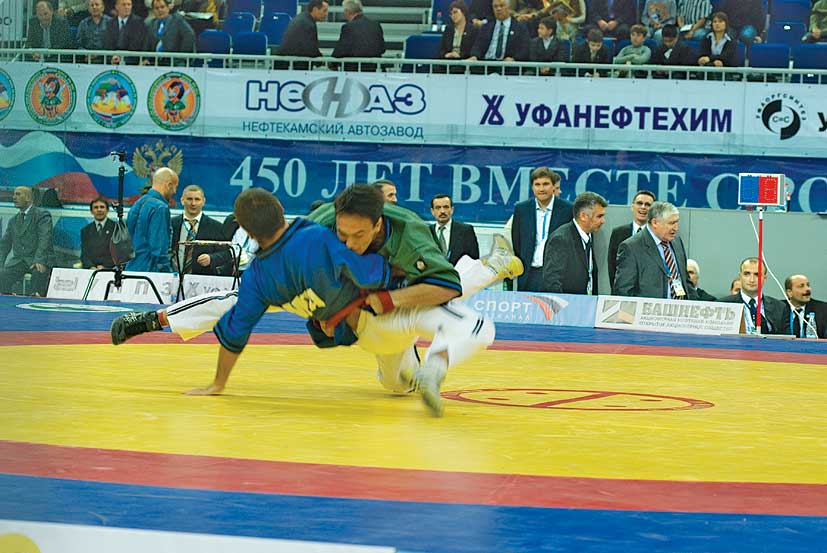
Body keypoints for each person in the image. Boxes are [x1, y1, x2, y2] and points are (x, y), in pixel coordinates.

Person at [111, 185, 521, 416]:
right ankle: (486, 271)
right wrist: (155, 319)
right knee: (398, 384)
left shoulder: (407, 234)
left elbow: (444, 285)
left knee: (444, 310)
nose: (348, 243)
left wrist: (386, 300)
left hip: (390, 303)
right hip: (362, 318)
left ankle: (487, 269)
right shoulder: (296, 254)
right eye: (341, 236)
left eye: (358, 236)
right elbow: (230, 303)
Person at [613, 201, 697, 300]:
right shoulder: (631, 247)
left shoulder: (677, 242)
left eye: (676, 222)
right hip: (649, 309)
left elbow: (686, 281)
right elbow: (623, 291)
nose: (676, 228)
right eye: (671, 223)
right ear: (655, 222)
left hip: (679, 308)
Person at [511, 167, 573, 291]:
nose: (541, 189)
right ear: (532, 187)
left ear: (553, 186)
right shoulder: (522, 209)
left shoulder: (568, 209)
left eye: (545, 184)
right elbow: (517, 242)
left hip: (557, 275)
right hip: (529, 274)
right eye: (537, 184)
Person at [541, 191, 606, 295]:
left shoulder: (589, 235)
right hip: (568, 303)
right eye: (599, 216)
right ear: (583, 216)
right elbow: (552, 282)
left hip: (586, 302)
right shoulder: (560, 240)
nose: (603, 221)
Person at [0, 186, 54, 296]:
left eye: (18, 194)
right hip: (20, 261)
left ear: (28, 198)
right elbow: (5, 245)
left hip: (39, 259)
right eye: (14, 194)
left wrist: (39, 260)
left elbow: (44, 239)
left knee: (38, 273)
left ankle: (35, 300)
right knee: (2, 275)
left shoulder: (42, 215)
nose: (14, 197)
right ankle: (9, 299)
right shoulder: (13, 221)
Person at [125, 167, 178, 273]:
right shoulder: (160, 208)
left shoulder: (137, 203)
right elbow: (159, 249)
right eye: (175, 187)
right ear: (169, 185)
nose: (175, 192)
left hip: (131, 269)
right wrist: (167, 273)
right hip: (151, 273)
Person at [171, 185, 231, 275]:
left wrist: (211, 258)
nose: (193, 203)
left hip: (203, 278)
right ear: (182, 200)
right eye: (189, 199)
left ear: (203, 201)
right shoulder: (172, 224)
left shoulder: (215, 227)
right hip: (173, 277)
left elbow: (227, 253)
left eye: (197, 199)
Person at [718, 258, 785, 334]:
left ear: (765, 278)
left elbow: (787, 338)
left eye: (757, 275)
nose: (752, 280)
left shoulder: (780, 307)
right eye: (747, 274)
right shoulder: (722, 305)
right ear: (740, 276)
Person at [607, 190, 656, 291]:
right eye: (639, 203)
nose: (643, 207)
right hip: (624, 291)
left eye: (648, 205)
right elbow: (612, 265)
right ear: (632, 206)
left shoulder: (657, 235)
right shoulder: (618, 233)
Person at [332, 0, 385, 71]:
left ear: (347, 11)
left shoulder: (348, 27)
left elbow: (341, 50)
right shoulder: (376, 25)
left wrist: (332, 63)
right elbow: (382, 48)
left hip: (354, 71)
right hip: (375, 69)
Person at [430, 193, 479, 266]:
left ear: (452, 210)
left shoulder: (466, 231)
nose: (442, 211)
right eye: (438, 208)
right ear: (432, 211)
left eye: (446, 207)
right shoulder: (426, 232)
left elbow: (474, 261)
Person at [104, 0, 148, 64]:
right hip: (113, 62)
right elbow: (108, 44)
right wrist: (112, 57)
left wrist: (122, 59)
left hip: (132, 62)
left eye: (129, 4)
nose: (127, 7)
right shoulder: (110, 23)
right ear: (116, 7)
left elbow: (136, 45)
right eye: (123, 5)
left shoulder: (139, 23)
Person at [783, 274, 826, 338]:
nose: (807, 289)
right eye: (801, 286)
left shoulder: (823, 309)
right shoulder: (779, 308)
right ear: (789, 292)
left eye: (808, 285)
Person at [80, 197, 116, 269]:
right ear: (91, 211)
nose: (99, 210)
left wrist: (105, 266)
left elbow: (119, 252)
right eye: (96, 207)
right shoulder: (85, 230)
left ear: (107, 210)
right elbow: (84, 254)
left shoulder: (116, 228)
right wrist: (91, 267)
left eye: (102, 207)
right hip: (91, 270)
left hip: (110, 269)